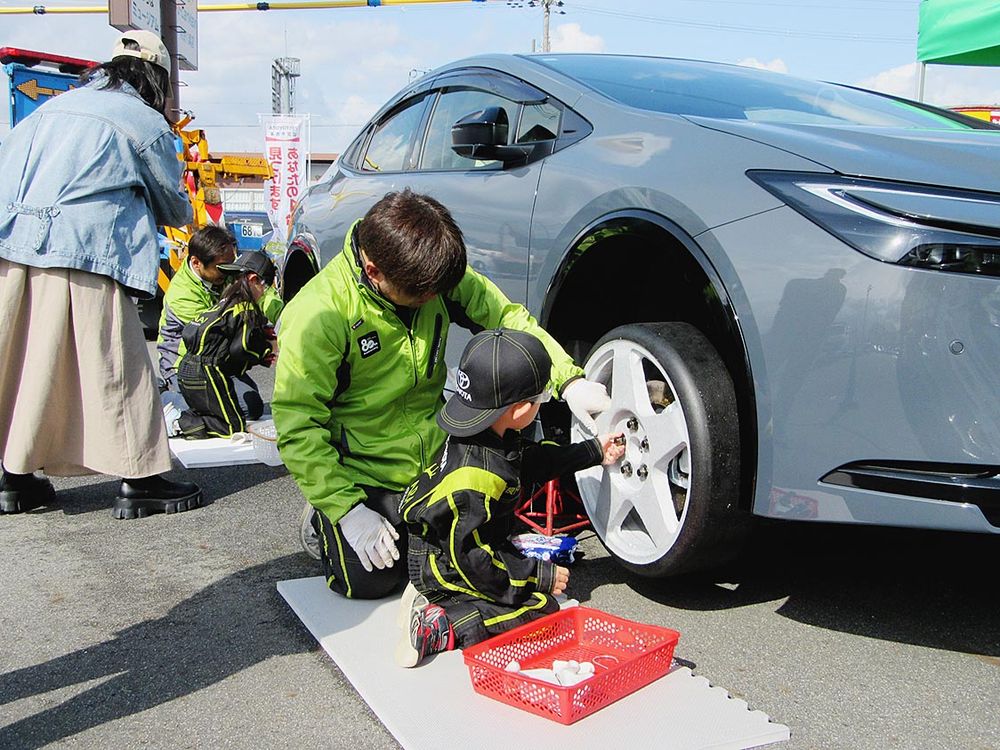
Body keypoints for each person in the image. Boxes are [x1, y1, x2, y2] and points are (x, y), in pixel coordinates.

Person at [272, 189, 612, 600]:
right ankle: (325, 518)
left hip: (436, 458)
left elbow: (507, 318)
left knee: (458, 567)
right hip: (363, 473)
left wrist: (567, 381)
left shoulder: (431, 274)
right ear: (374, 270)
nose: (435, 299)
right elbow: (298, 424)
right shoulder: (318, 316)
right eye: (423, 295)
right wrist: (346, 509)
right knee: (376, 582)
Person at [0, 30, 203, 520]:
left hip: (11, 246)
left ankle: (13, 477)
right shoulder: (143, 120)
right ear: (156, 79)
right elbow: (175, 206)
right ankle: (141, 480)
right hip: (86, 248)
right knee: (114, 361)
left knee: (21, 364)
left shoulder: (49, 111)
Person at [395, 328, 624, 667]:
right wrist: (536, 575)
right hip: (445, 559)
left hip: (455, 542)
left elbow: (532, 463)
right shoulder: (476, 479)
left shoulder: (485, 434)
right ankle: (441, 622)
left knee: (528, 595)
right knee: (539, 611)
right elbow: (473, 560)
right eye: (540, 399)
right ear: (519, 410)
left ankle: (439, 597)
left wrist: (593, 451)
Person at [157, 225, 282, 419]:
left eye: (231, 263)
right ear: (196, 262)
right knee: (243, 410)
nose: (229, 271)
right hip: (188, 365)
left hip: (219, 362)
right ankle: (166, 397)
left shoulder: (224, 271)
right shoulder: (182, 294)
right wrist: (264, 347)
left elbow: (260, 292)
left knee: (251, 404)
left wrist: (284, 318)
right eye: (221, 267)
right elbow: (219, 336)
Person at [171, 251, 278, 439]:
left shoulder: (224, 303)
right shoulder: (245, 308)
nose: (264, 292)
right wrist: (265, 351)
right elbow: (242, 348)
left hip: (189, 368)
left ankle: (190, 416)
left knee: (232, 413)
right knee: (232, 427)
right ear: (253, 280)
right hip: (208, 371)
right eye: (266, 287)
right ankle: (178, 423)